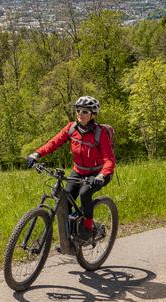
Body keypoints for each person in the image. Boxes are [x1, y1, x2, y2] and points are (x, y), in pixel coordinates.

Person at [26, 96, 116, 241]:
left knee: (85, 193)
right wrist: (37, 154)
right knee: (64, 202)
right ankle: (69, 238)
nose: (80, 113)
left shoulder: (101, 133)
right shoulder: (71, 128)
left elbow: (109, 159)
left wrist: (101, 176)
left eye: (85, 112)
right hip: (78, 171)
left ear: (93, 114)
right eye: (78, 110)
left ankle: (88, 228)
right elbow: (54, 142)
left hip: (97, 174)